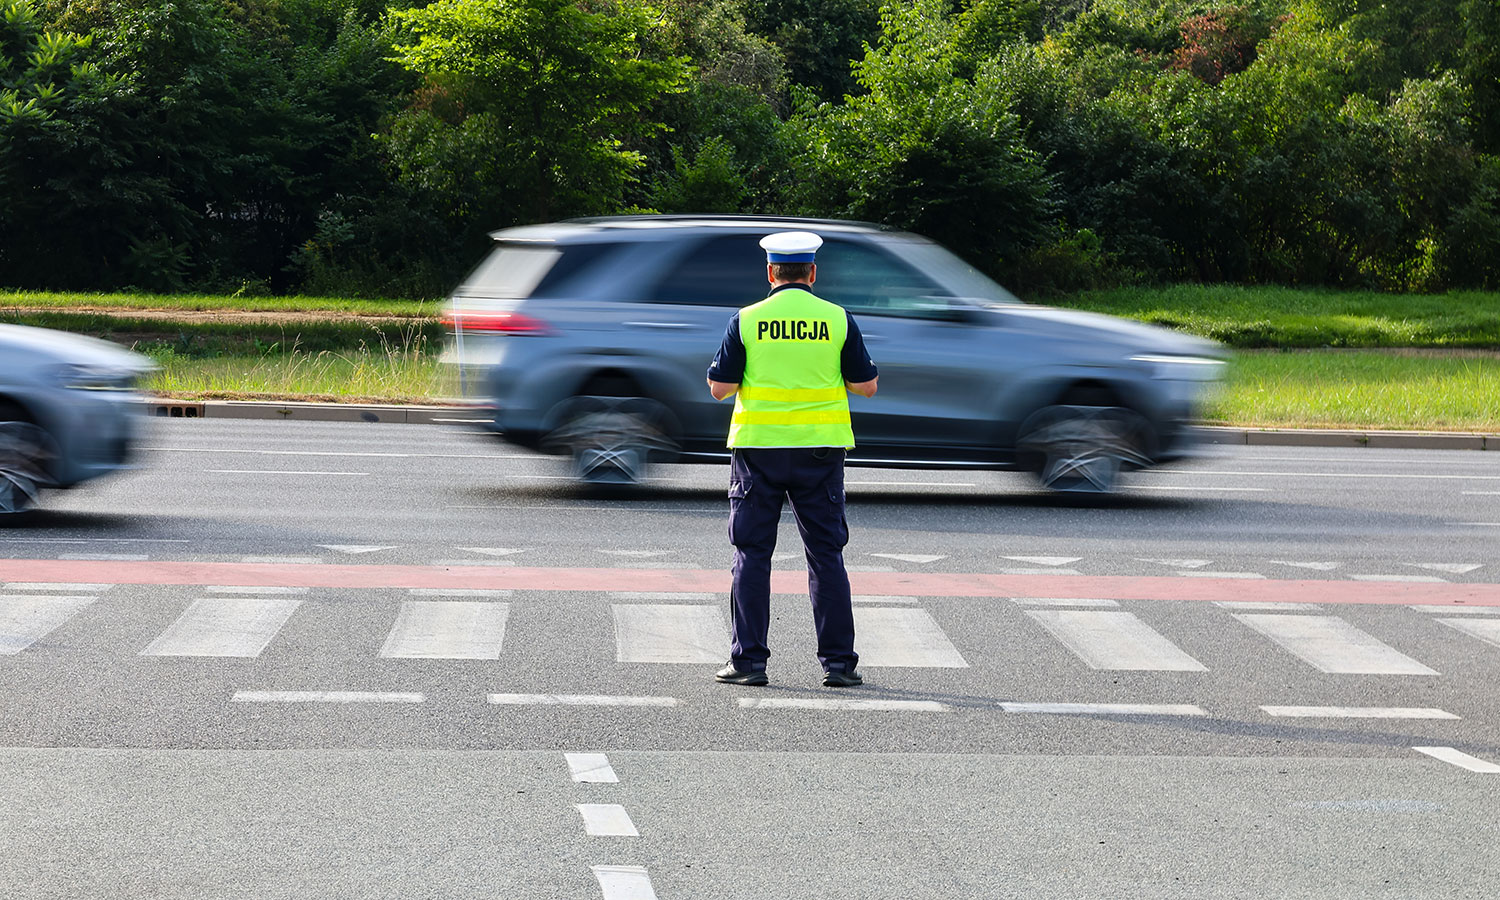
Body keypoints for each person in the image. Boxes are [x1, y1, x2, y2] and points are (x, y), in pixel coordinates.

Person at [705, 231, 879, 687]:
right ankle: (839, 666)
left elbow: (720, 388)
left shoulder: (746, 320)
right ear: (813, 273)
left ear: (770, 273)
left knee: (752, 554)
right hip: (820, 452)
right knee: (826, 556)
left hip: (758, 451)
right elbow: (866, 386)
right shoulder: (837, 319)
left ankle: (748, 664)